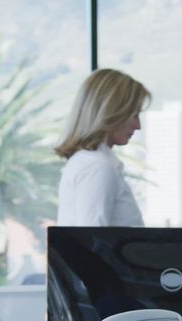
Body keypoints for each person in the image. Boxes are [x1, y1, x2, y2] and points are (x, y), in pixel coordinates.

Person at [54, 68, 150, 226]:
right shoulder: (97, 167)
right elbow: (92, 243)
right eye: (133, 115)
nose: (138, 125)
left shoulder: (90, 162)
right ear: (111, 112)